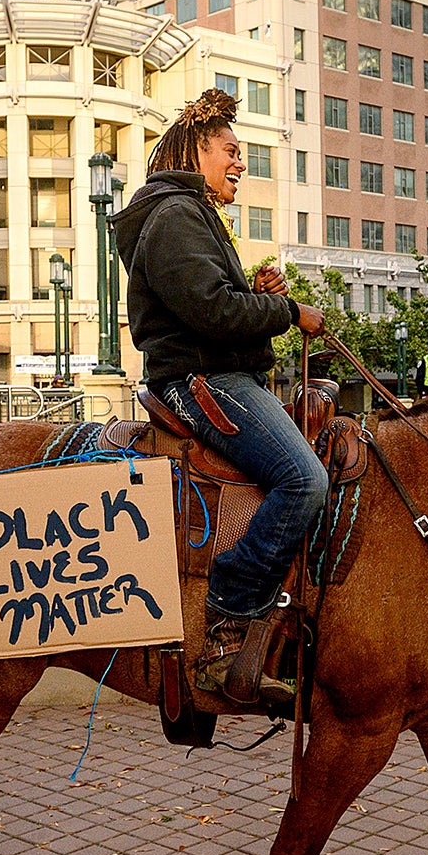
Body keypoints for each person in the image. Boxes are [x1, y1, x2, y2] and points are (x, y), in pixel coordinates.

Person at [112, 88, 326, 704]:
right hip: (200, 384)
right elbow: (210, 311)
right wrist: (285, 310)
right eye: (231, 150)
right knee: (304, 480)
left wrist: (256, 294)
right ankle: (229, 616)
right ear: (196, 149)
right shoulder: (176, 215)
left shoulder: (190, 216)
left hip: (215, 373)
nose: (240, 163)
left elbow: (214, 300)